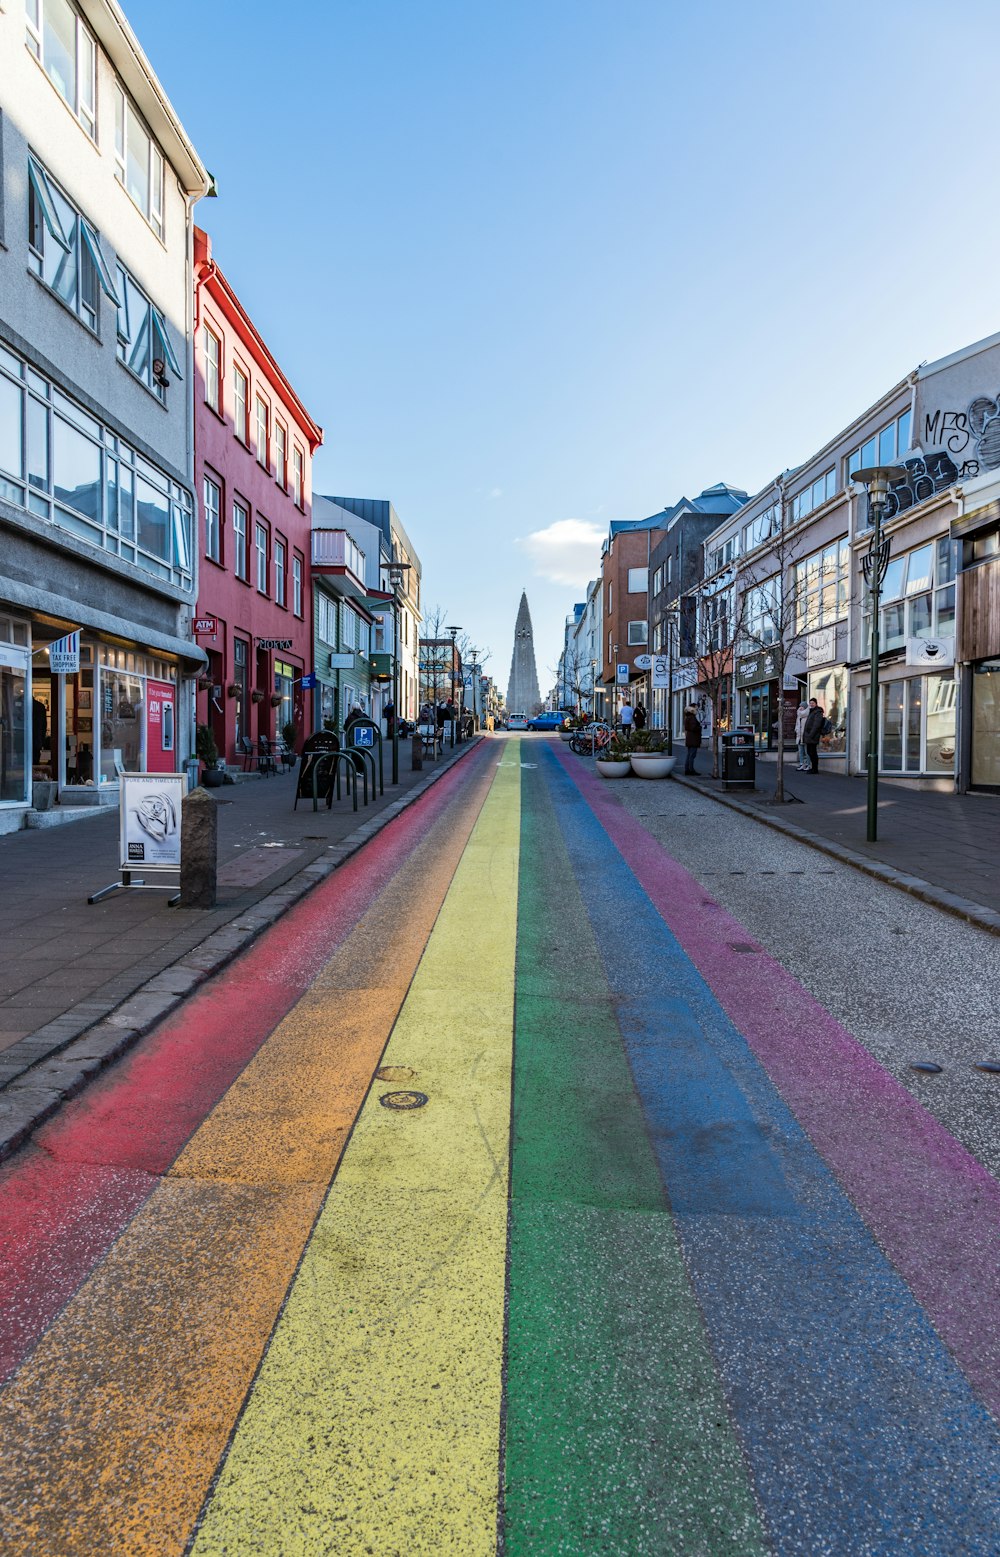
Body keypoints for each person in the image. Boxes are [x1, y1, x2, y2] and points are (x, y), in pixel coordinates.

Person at [802, 697, 825, 773]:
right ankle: (813, 768)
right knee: (809, 752)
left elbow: (816, 725)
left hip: (813, 736)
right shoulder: (811, 711)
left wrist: (811, 735)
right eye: (810, 703)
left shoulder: (818, 712)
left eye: (813, 703)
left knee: (812, 752)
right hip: (809, 736)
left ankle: (815, 769)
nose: (811, 704)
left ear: (816, 703)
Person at [683, 705, 702, 774]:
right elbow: (693, 728)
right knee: (692, 755)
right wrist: (699, 727)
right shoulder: (692, 718)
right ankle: (691, 770)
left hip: (690, 738)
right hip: (693, 738)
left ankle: (687, 769)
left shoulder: (687, 717)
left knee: (689, 754)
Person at [794, 699, 809, 771]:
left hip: (805, 736)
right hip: (799, 736)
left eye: (802, 706)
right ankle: (801, 764)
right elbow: (797, 725)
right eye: (800, 706)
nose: (800, 708)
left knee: (807, 751)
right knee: (800, 751)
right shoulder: (799, 715)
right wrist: (796, 730)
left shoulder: (807, 715)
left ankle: (808, 764)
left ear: (805, 707)